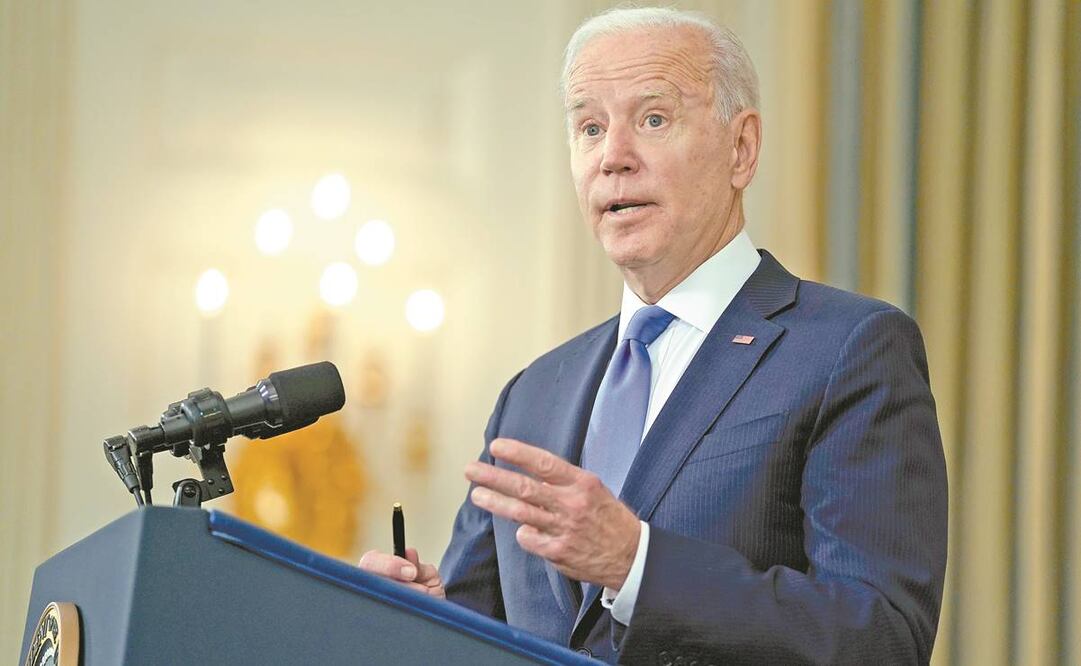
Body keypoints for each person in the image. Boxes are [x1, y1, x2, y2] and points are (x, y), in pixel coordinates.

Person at [358, 7, 947, 664]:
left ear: (740, 148)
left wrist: (636, 566)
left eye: (653, 119)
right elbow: (486, 630)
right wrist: (420, 620)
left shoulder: (848, 350)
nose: (612, 157)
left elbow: (881, 636)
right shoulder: (533, 393)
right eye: (588, 127)